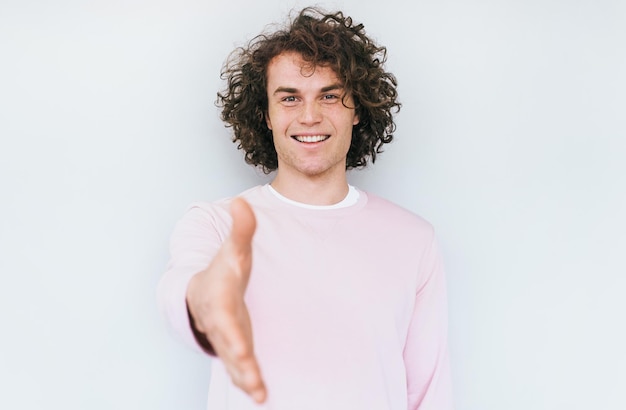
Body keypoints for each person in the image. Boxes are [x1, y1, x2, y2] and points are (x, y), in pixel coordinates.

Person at [158, 6, 453, 410]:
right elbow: (186, 292)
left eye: (329, 96)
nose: (310, 116)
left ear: (357, 110)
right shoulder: (217, 224)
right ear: (265, 114)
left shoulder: (415, 240)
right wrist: (206, 298)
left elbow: (428, 394)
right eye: (290, 98)